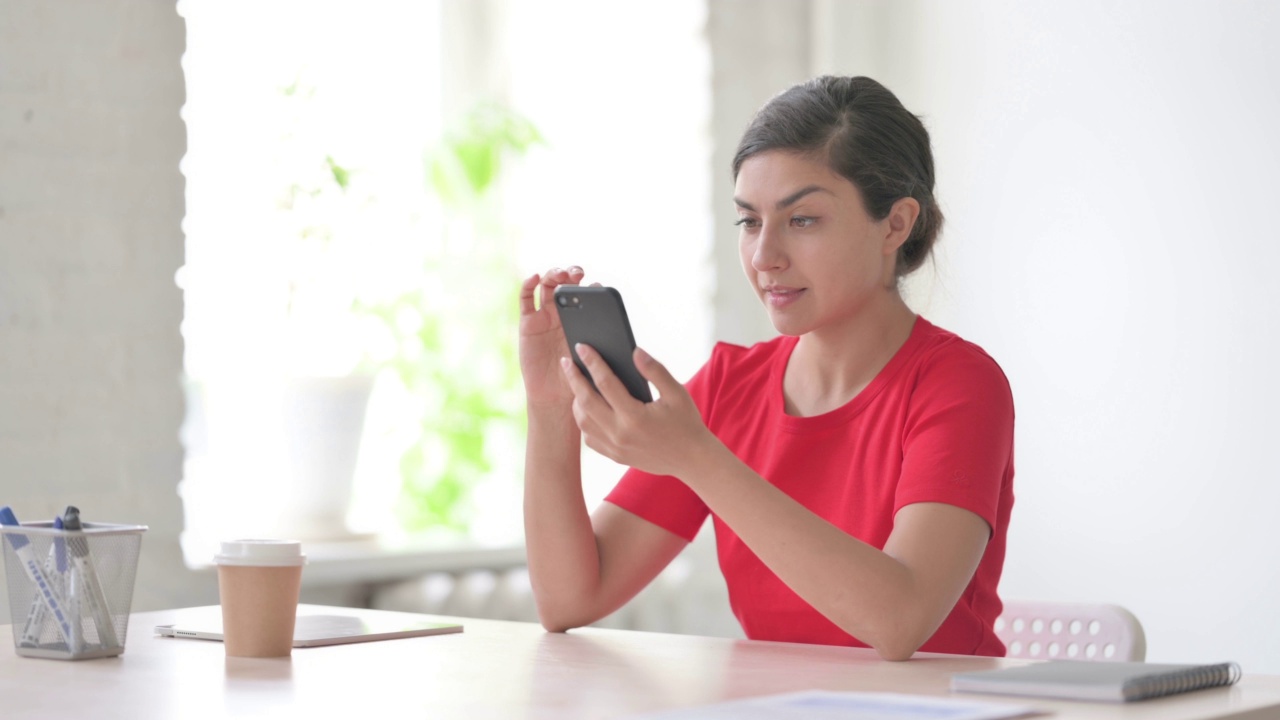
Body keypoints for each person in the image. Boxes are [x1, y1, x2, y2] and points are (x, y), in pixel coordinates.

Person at [517, 75, 1015, 661]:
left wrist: (697, 457)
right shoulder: (731, 385)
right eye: (749, 221)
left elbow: (900, 619)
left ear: (895, 224)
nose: (764, 256)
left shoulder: (959, 385)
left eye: (802, 220)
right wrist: (551, 407)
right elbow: (570, 599)